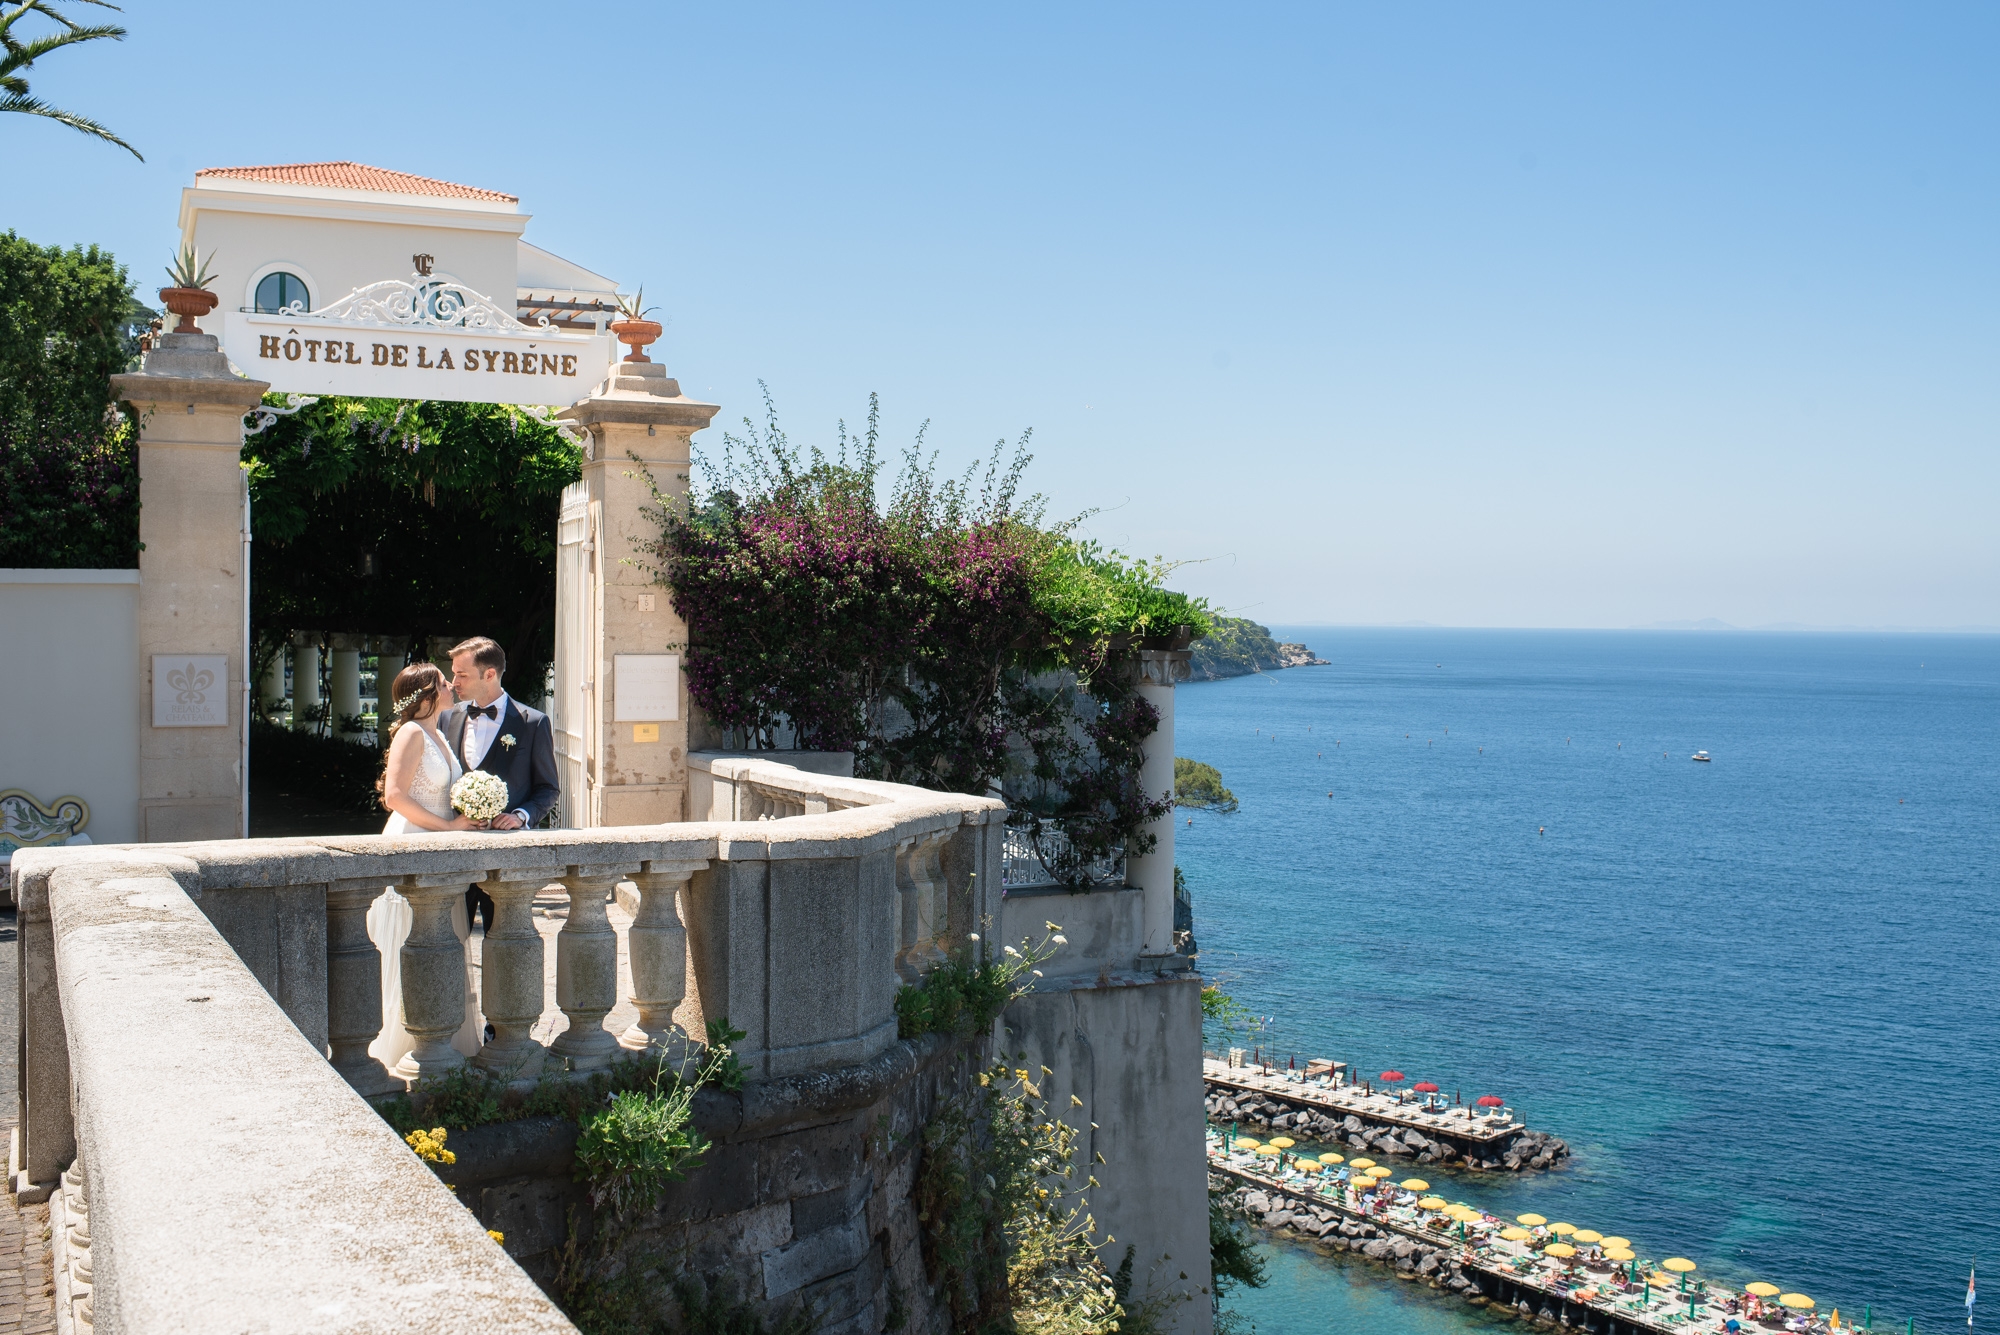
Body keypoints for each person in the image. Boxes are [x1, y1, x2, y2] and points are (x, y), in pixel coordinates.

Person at [370, 662, 483, 1067]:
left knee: (439, 944)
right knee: (410, 943)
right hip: (413, 842)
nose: (452, 684)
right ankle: (403, 1046)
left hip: (440, 849)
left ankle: (439, 1035)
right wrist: (449, 826)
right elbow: (396, 797)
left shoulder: (438, 731)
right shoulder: (411, 732)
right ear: (428, 693)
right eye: (443, 680)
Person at [443, 636, 561, 933]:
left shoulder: (532, 722)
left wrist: (520, 816)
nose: (453, 680)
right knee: (448, 947)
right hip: (453, 857)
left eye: (461, 674)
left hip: (506, 860)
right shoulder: (448, 718)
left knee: (510, 947)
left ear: (490, 674)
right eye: (454, 673)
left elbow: (548, 788)